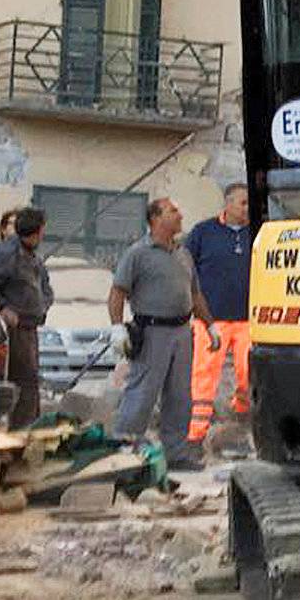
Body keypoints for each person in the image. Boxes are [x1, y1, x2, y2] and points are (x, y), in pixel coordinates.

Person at [109, 199, 219, 468]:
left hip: (182, 332)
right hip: (152, 332)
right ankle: (124, 451)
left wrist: (210, 324)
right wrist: (116, 327)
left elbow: (194, 294)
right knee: (142, 392)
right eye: (173, 211)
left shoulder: (183, 253)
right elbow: (118, 292)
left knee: (180, 396)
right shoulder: (138, 253)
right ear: (156, 219)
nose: (180, 215)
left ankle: (177, 454)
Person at [184, 183, 254, 446]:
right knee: (203, 375)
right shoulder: (203, 232)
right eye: (243, 203)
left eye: (250, 203)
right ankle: (195, 435)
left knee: (249, 374)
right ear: (228, 204)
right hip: (211, 320)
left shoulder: (258, 232)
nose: (247, 208)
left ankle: (242, 415)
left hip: (249, 319)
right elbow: (186, 268)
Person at [0, 207, 52, 428]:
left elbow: (44, 289)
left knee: (30, 384)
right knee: (22, 383)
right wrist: (2, 307)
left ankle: (28, 428)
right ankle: (20, 432)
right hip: (12, 331)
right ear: (37, 231)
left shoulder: (33, 258)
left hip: (30, 329)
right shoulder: (5, 255)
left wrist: (43, 304)